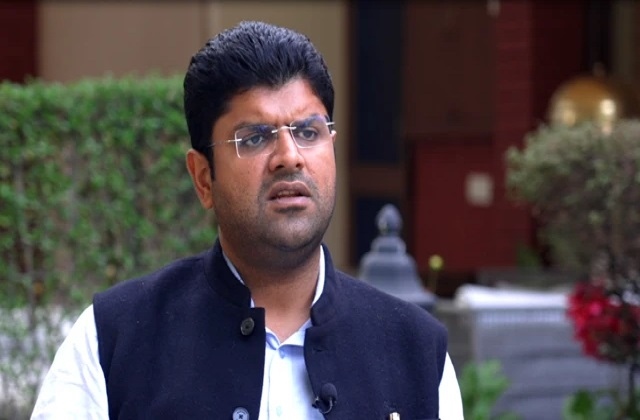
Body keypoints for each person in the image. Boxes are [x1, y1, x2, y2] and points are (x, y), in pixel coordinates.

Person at [31, 21, 463, 419]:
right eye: (255, 138)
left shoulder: (415, 352)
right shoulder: (113, 340)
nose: (289, 157)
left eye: (308, 132)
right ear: (204, 178)